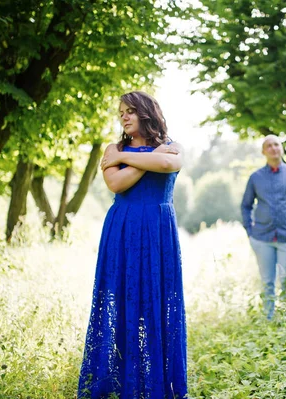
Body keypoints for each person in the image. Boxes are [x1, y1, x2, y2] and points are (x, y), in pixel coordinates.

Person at [78, 91, 187, 398]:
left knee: (158, 301)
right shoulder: (114, 147)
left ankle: (156, 384)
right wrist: (152, 158)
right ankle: (119, 384)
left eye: (130, 111)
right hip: (122, 231)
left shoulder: (169, 147)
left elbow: (170, 165)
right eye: (121, 112)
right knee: (121, 301)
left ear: (147, 113)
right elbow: (117, 183)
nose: (124, 117)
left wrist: (128, 158)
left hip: (158, 232)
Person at [241, 135, 286, 320]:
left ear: (281, 148)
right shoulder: (255, 177)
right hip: (262, 239)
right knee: (267, 282)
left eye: (276, 144)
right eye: (269, 146)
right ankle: (268, 321)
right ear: (263, 152)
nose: (273, 148)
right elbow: (246, 205)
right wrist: (250, 231)